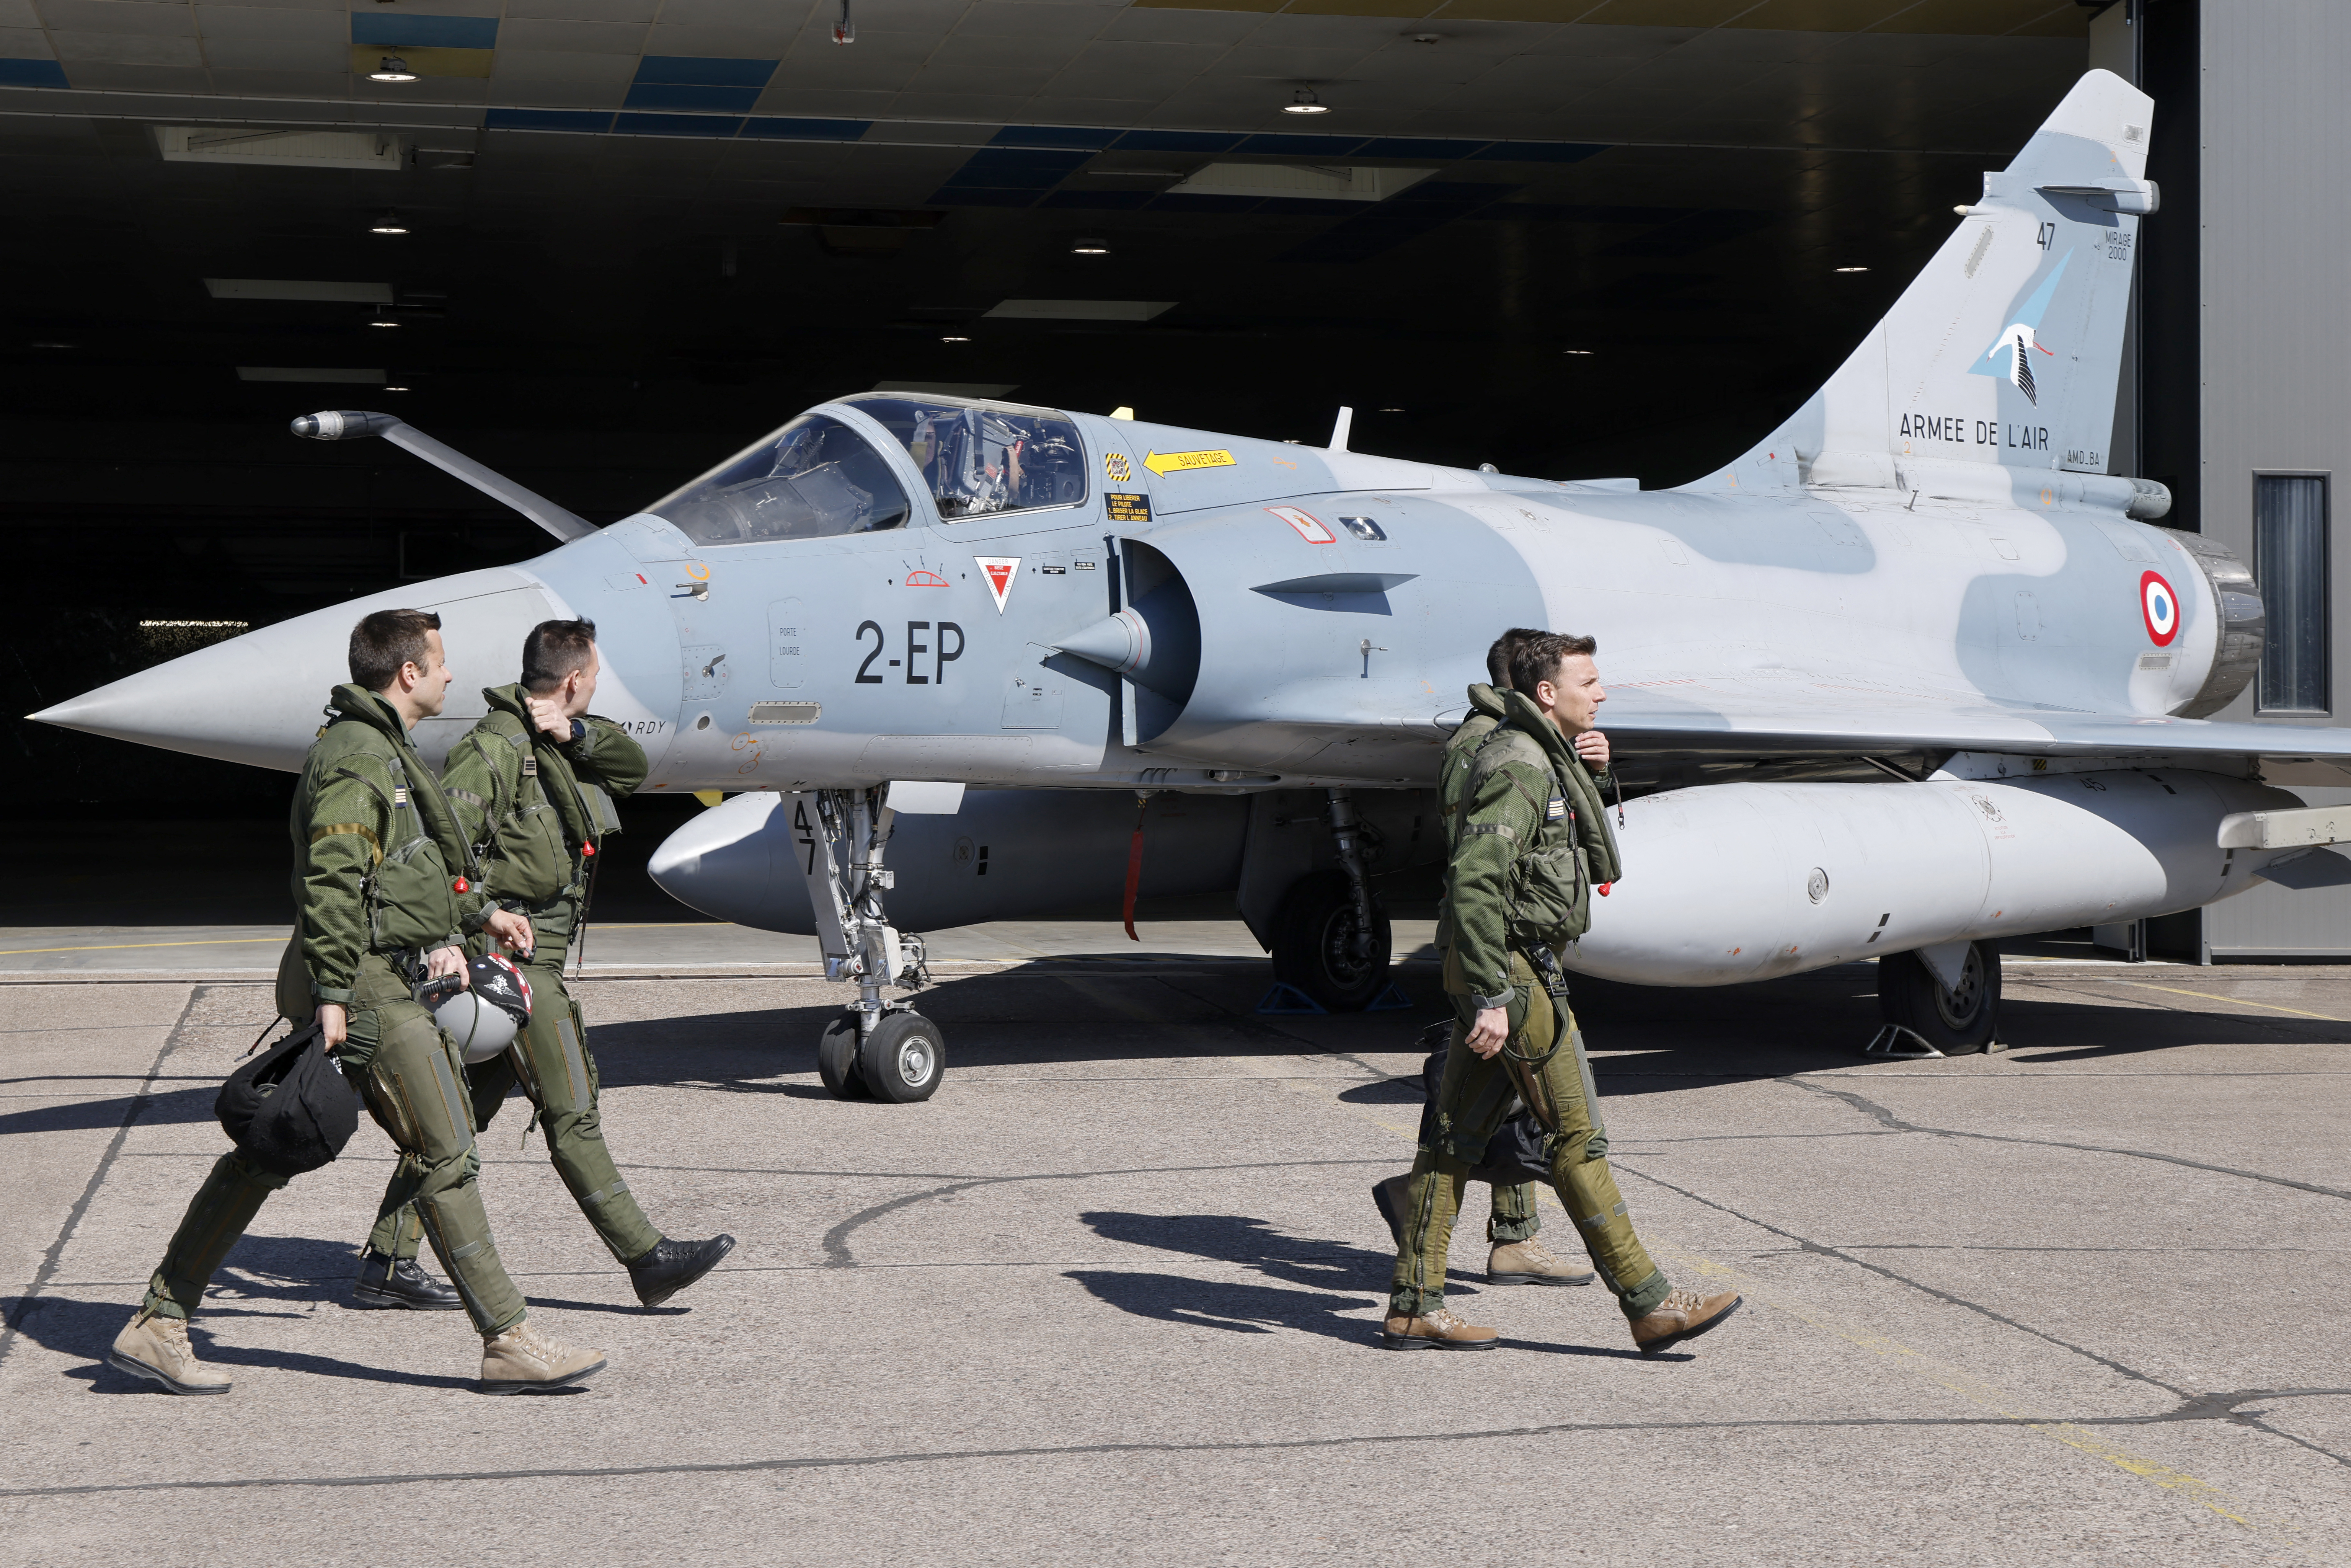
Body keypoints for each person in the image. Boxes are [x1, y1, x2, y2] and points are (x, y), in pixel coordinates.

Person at [108, 609, 607, 1395]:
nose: (449, 676)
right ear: (408, 673)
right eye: (439, 664)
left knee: (269, 1153)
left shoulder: (381, 747)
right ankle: (509, 1339)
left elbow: (403, 868)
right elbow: (333, 883)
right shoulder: (357, 757)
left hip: (385, 974)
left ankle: (160, 1321)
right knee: (446, 1152)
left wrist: (475, 917)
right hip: (371, 986)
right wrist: (336, 992)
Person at [355, 619, 735, 1312]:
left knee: (459, 1122)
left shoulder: (565, 741)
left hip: (539, 956)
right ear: (573, 678)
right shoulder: (496, 749)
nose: (597, 685)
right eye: (593, 676)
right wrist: (481, 922)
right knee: (572, 1108)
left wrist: (575, 731)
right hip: (512, 961)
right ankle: (646, 1257)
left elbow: (634, 767)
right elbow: (443, 856)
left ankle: (388, 1259)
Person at [1384, 630, 1742, 1356]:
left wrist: (1596, 776)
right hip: (1513, 973)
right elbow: (1477, 880)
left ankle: (1416, 1304)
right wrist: (1491, 993)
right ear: (1547, 692)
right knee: (1577, 1136)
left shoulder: (1540, 754)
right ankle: (1649, 1301)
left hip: (1510, 966)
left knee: (1454, 1141)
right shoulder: (1517, 762)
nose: (1602, 692)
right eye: (1590, 681)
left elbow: (1560, 851)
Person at [1372, 628, 1593, 1289]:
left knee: (1502, 1094)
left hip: (1513, 940)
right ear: (1528, 689)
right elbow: (1488, 858)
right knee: (1502, 1098)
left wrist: (1593, 767)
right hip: (1498, 943)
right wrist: (1491, 979)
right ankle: (1433, 1208)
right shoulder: (1495, 746)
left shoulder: (1507, 739)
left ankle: (1512, 1237)